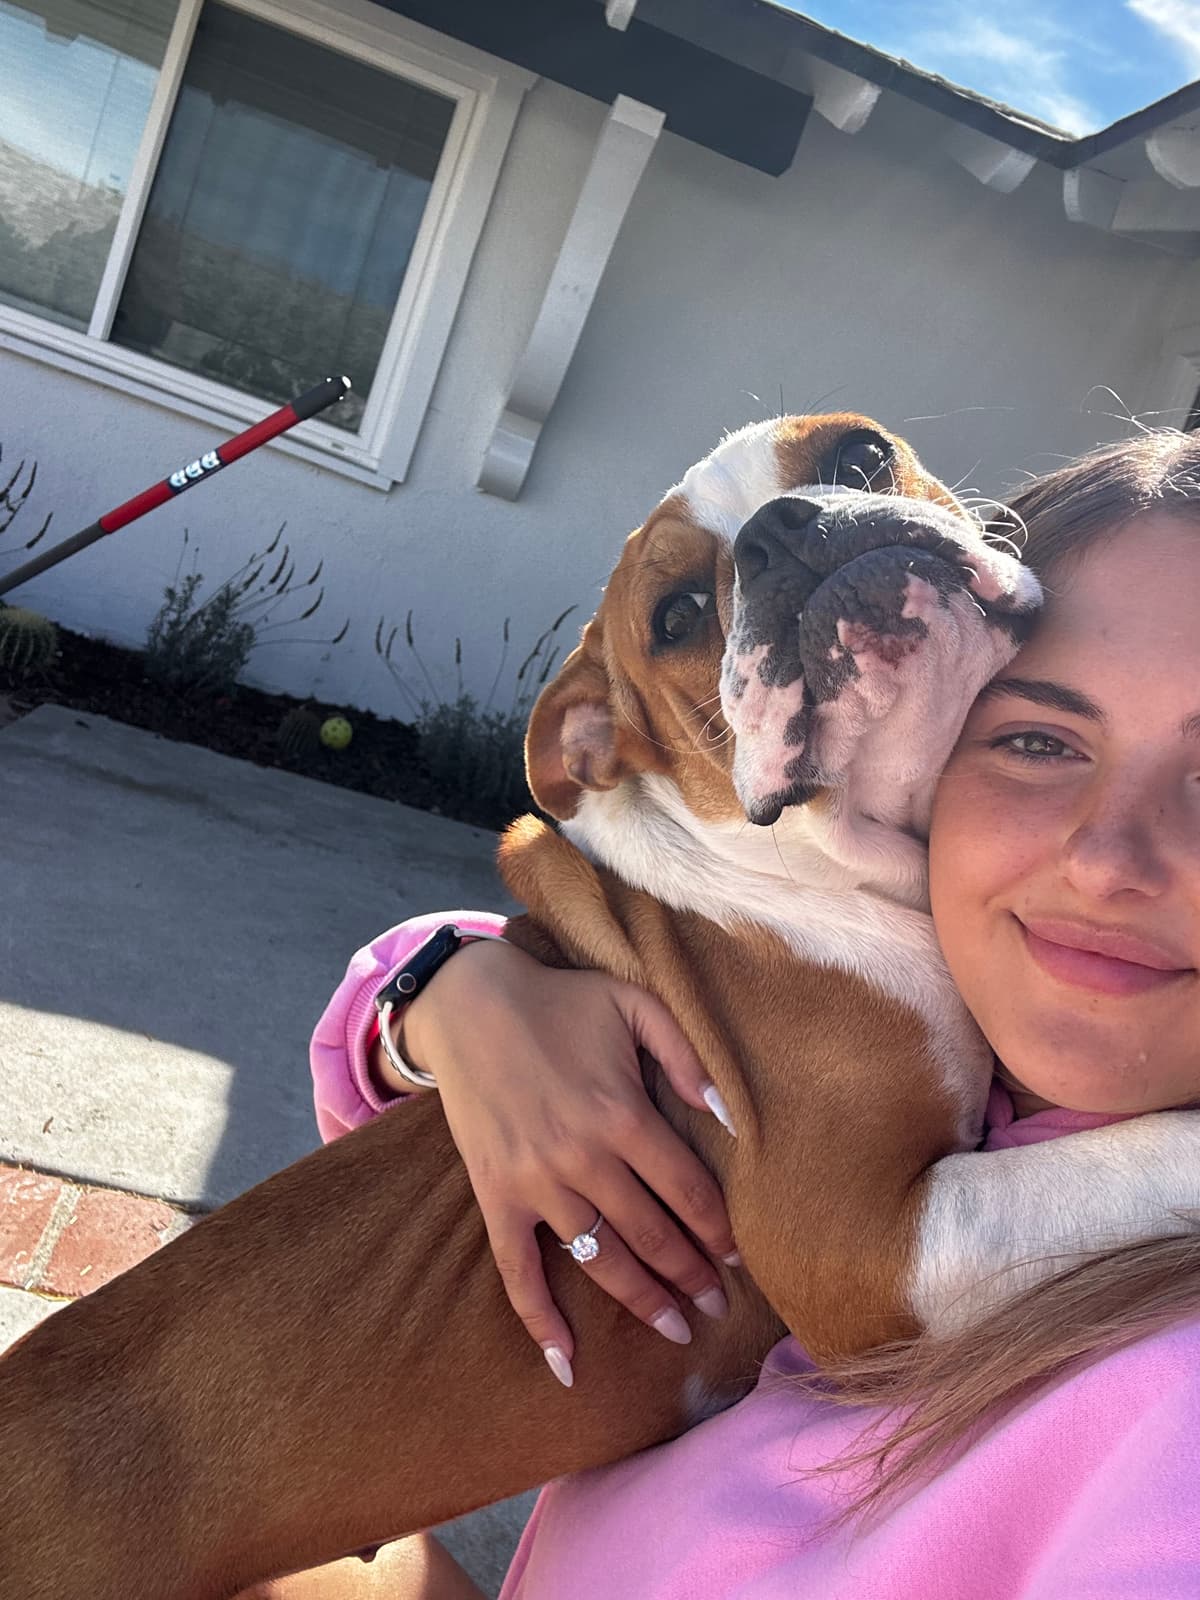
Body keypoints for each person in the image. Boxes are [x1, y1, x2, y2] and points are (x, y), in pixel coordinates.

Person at [270, 428, 1200, 1598]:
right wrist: (435, 988)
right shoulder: (946, 993)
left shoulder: (1170, 1420)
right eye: (1038, 741)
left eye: (851, 467)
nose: (1107, 861)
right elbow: (394, 1136)